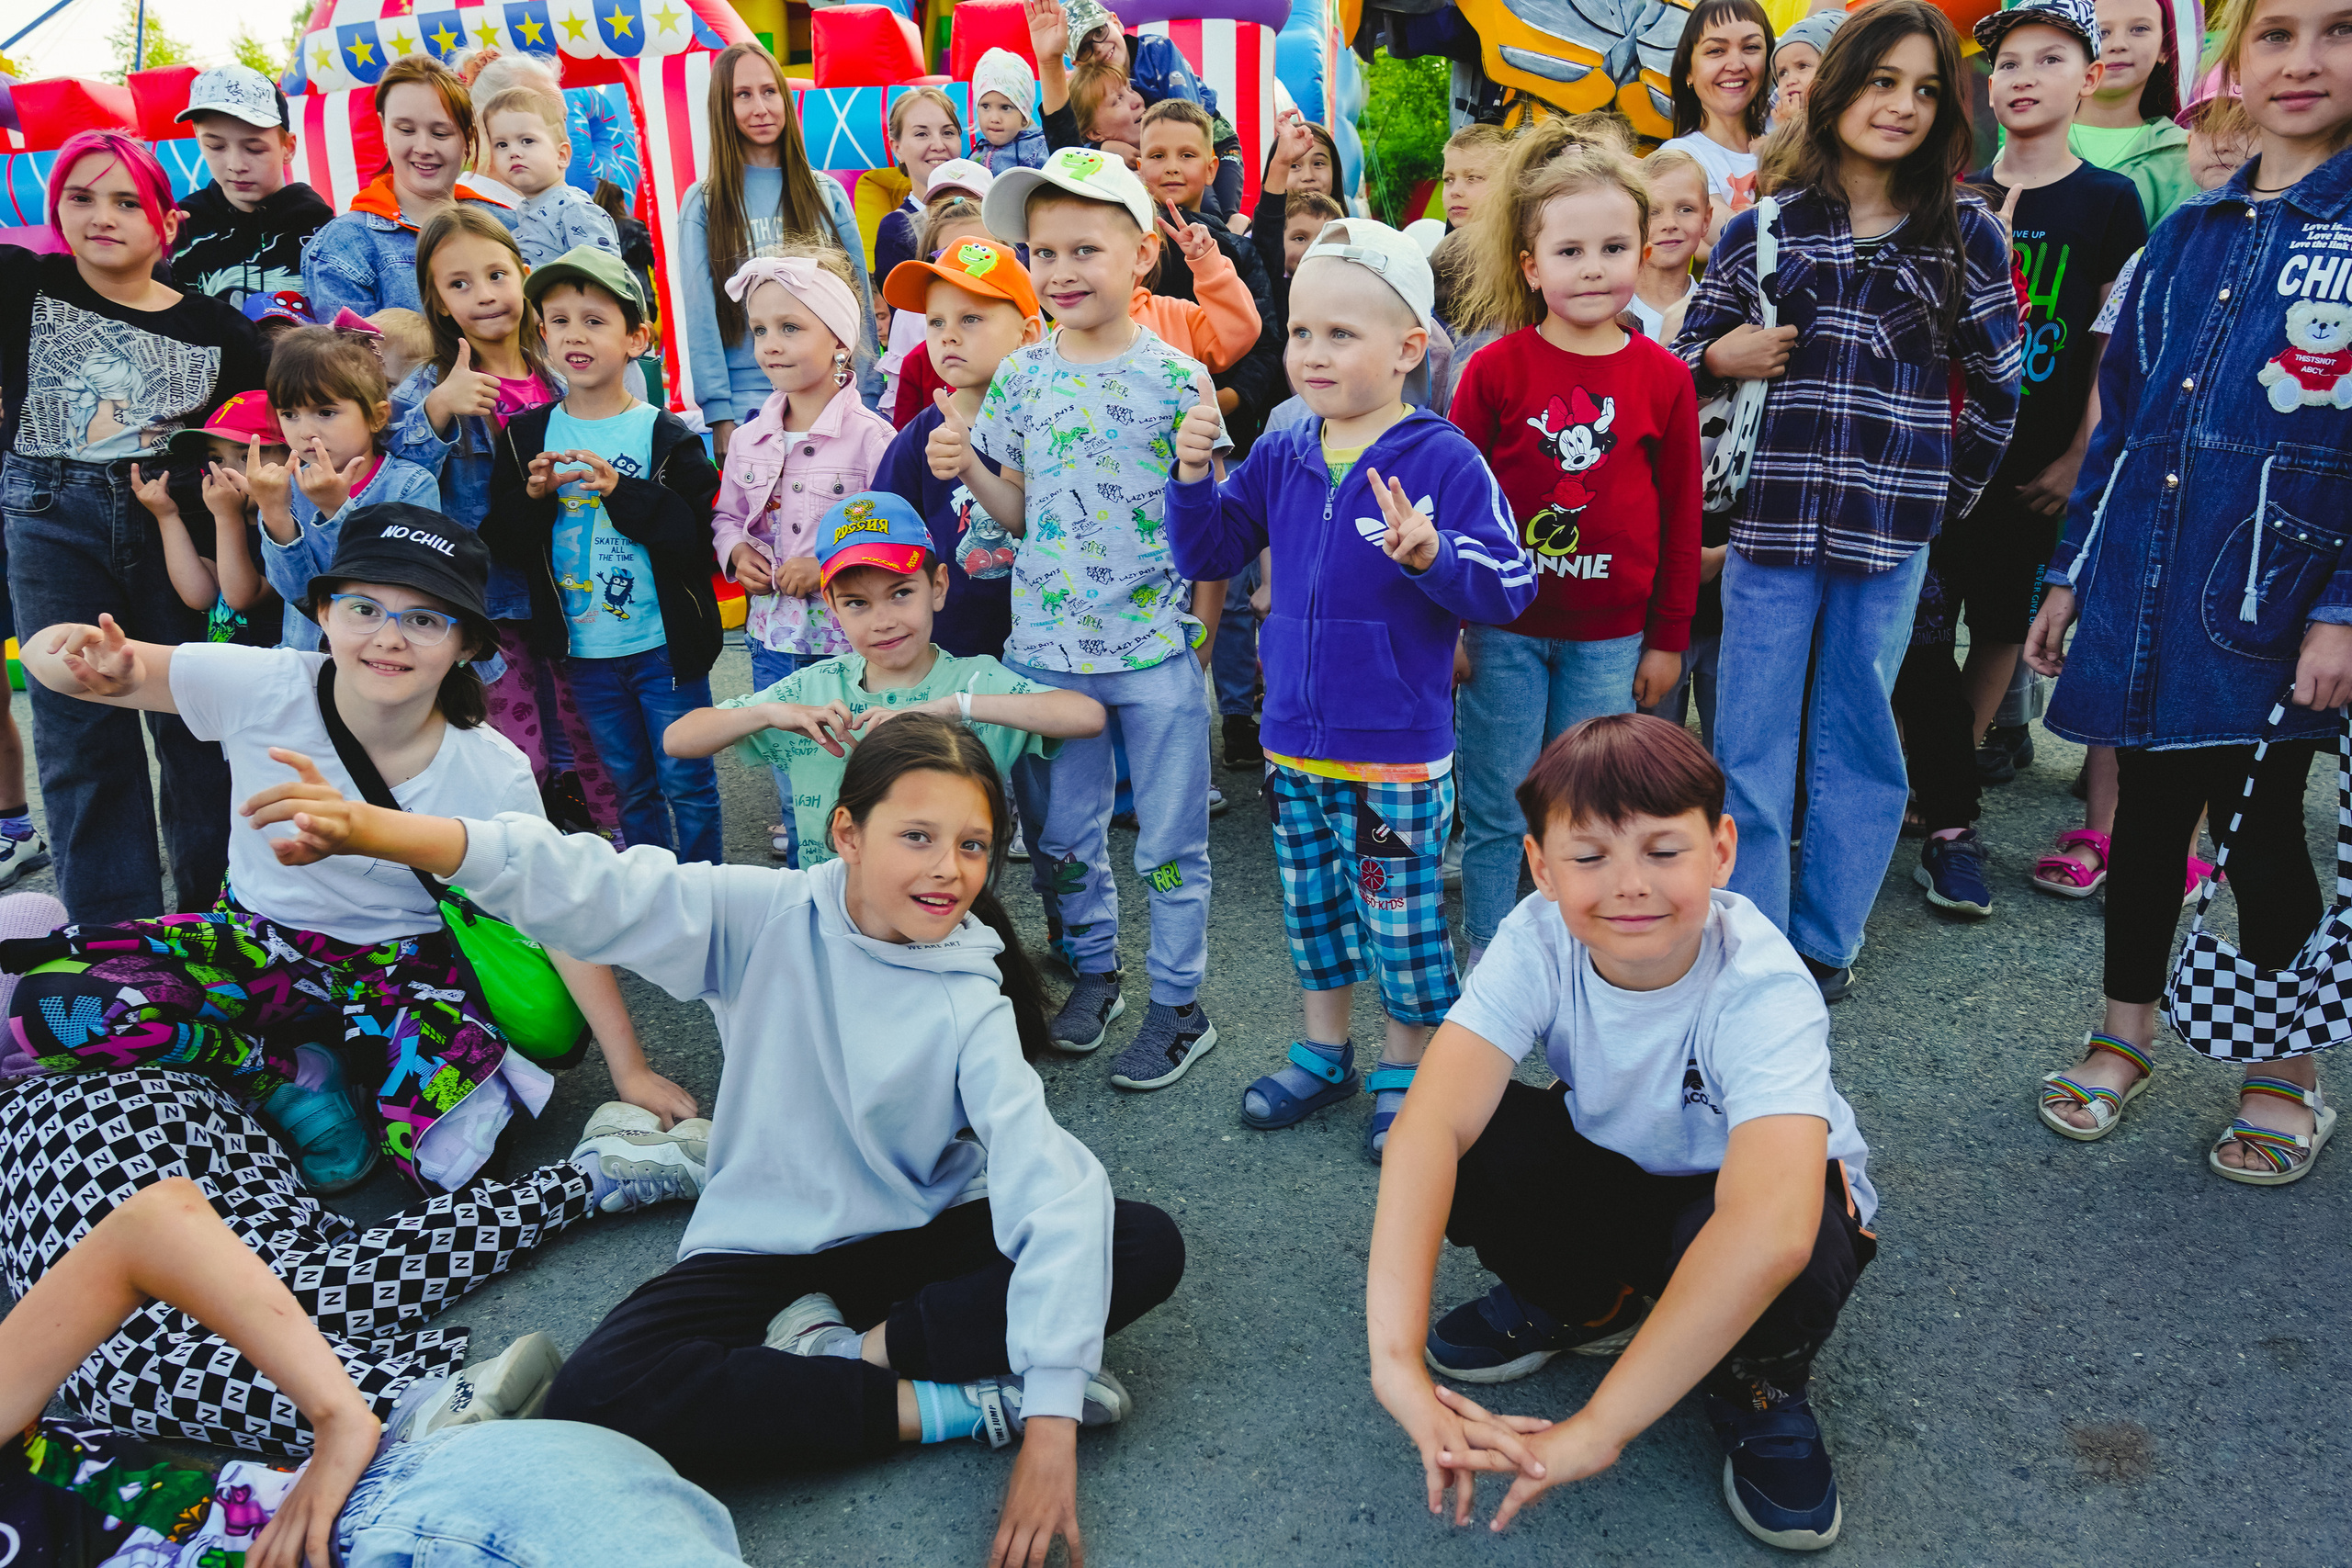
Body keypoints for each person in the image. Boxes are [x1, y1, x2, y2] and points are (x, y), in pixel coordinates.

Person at [249, 710, 1186, 1567]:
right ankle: (961, 1403)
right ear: (848, 836)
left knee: (1137, 1240)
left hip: (911, 1237)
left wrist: (1055, 1424)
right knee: (596, 1402)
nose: (949, 869)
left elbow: (1047, 1186)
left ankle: (849, 1358)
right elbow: (597, 887)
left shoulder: (968, 997)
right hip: (762, 1240)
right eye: (918, 837)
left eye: (973, 846)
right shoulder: (768, 914)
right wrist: (378, 828)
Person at [8, 504, 694, 1203]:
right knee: (49, 1008)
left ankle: (348, 1060)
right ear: (325, 613)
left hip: (401, 973)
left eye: (425, 619)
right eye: (364, 607)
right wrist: (69, 649)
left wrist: (628, 1066)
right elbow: (70, 667)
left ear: (464, 645)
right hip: (252, 944)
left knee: (451, 1165)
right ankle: (285, 1075)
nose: (389, 638)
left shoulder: (494, 767)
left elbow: (554, 910)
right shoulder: (262, 684)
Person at [1366, 714, 1876, 1551]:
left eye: (1663, 851)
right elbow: (1429, 1124)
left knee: (1802, 1237)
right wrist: (1394, 1359)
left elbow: (1769, 1226)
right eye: (1590, 855)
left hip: (1735, 1192)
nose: (1629, 883)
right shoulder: (1534, 936)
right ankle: (1584, 1301)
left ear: (1721, 850)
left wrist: (1597, 1426)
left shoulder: (1764, 982)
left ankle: (1759, 1385)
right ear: (1540, 866)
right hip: (1617, 1165)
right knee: (1475, 1137)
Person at [2022, 0, 2352, 1184]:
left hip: (2280, 592)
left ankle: (2286, 1072)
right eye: (2274, 35)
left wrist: (2342, 607)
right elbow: (2126, 419)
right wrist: (2068, 573)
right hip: (2145, 580)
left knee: (2259, 830)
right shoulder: (2188, 232)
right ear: (2232, 61)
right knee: (2150, 819)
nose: (2303, 60)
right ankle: (2124, 1035)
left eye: (2337, 30)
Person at [1672, 0, 2021, 1003]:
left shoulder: (1964, 234)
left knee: (1859, 737)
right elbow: (1670, 370)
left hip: (1889, 534)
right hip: (1771, 527)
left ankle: (1824, 943)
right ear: (1834, 91)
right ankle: (1754, 941)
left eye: (1923, 89)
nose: (1902, 106)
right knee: (1748, 739)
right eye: (1880, 81)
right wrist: (1715, 357)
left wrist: (1939, 496)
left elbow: (1998, 385)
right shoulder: (1761, 229)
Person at [1167, 218, 1532, 1156]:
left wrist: (1432, 555)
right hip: (1294, 749)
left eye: (1341, 334)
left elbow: (1510, 582)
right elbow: (1209, 550)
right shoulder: (1284, 450)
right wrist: (1192, 473)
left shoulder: (1443, 457)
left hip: (1394, 764)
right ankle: (1323, 1053)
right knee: (1317, 909)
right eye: (1300, 333)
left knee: (1400, 920)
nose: (1312, 354)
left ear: (1409, 347)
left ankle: (1407, 1066)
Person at [0, 1177, 748, 1567]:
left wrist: (339, 1417)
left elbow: (154, 1223)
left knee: (135, 1366)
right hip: (472, 1499)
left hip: (411, 1526)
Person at [931, 146, 1229, 1076]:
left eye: (1084, 250)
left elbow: (1209, 525)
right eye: (1044, 253)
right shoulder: (1021, 378)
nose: (1060, 271)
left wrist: (1205, 639)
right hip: (1049, 653)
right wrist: (971, 467)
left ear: (1141, 255)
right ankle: (1093, 970)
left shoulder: (1181, 379)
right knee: (1063, 837)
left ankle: (1179, 1002)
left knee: (1172, 844)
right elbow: (1013, 517)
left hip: (1152, 652)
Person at [1893, 0, 2143, 920]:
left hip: (2034, 463)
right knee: (1920, 626)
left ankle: (1944, 775)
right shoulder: (1951, 189)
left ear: (2092, 76)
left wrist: (2080, 452)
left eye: (2049, 59)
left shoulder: (2109, 202)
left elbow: (2109, 344)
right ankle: (1925, 775)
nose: (2024, 76)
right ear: (1985, 85)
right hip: (1941, 457)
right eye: (2006, 62)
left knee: (1998, 620)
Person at [1449, 136, 1703, 974]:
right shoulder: (1493, 371)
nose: (1593, 268)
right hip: (1502, 633)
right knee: (1496, 804)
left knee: (1591, 806)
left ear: (1643, 247)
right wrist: (1449, 622)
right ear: (1530, 264)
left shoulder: (1665, 378)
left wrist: (1668, 638)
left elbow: (1680, 517)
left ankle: (1572, 955)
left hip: (1610, 639)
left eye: (1613, 248)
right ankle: (1495, 958)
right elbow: (1454, 503)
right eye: (1570, 251)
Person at [1, 130, 266, 923]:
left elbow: (249, 442)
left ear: (166, 223)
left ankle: (213, 927)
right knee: (81, 732)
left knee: (195, 721)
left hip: (173, 526)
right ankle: (114, 949)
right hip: (51, 521)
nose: (101, 215)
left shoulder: (221, 333)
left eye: (126, 200)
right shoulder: (22, 282)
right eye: (79, 198)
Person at [2033, 90, 2256, 903]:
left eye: (2245, 140)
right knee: (2116, 673)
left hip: (2224, 506)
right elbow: (2113, 384)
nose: (2224, 155)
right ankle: (2101, 826)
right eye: (2211, 142)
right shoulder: (2156, 250)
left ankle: (2179, 843)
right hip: (2135, 490)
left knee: (2194, 689)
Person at [669, 489, 1105, 866]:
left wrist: (956, 708)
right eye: (857, 603)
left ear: (937, 586)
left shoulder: (973, 682)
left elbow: (1086, 716)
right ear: (832, 606)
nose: (883, 621)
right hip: (830, 921)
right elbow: (679, 740)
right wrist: (768, 713)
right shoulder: (811, 691)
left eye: (900, 594)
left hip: (944, 917)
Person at [486, 248, 726, 863]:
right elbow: (502, 542)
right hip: (586, 654)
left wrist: (623, 491)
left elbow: (693, 539)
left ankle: (705, 895)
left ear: (636, 338)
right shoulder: (527, 436)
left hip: (663, 648)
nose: (574, 335)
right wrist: (535, 496)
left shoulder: (665, 434)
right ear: (540, 335)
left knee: (688, 783)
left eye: (594, 320)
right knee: (629, 785)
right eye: (559, 320)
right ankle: (651, 896)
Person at [388, 206, 618, 829]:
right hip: (492, 606)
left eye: (496, 275)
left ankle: (617, 862)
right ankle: (522, 863)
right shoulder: (435, 386)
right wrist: (439, 410)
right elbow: (391, 485)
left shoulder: (561, 373)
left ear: (523, 276)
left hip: (574, 594)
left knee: (593, 738)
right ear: (437, 303)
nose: (484, 296)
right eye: (459, 284)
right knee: (519, 748)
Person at [708, 251, 895, 864]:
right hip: (773, 639)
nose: (770, 344)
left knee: (863, 773)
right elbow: (728, 515)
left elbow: (894, 534)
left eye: (791, 327)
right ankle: (808, 890)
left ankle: (866, 890)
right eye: (760, 329)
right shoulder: (750, 439)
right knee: (793, 773)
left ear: (840, 340)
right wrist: (736, 551)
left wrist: (830, 561)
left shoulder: (872, 439)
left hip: (852, 645)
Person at [680, 40, 873, 458]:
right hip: (747, 403)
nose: (760, 107)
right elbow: (699, 315)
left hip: (830, 393)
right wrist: (719, 414)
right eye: (743, 95)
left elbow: (859, 303)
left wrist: (869, 391)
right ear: (722, 108)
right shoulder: (705, 201)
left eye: (769, 91)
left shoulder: (827, 194)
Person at [876, 237, 1044, 660]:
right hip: (950, 646)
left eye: (970, 319)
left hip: (1051, 642)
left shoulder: (1052, 426)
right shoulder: (919, 437)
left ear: (1027, 334)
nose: (948, 336)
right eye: (936, 322)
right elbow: (883, 530)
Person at [252, 323, 444, 653]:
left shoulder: (410, 485)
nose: (306, 430)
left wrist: (335, 511)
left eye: (326, 412)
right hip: (306, 660)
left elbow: (392, 585)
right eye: (289, 414)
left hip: (381, 658)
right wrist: (273, 511)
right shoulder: (286, 488)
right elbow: (297, 594)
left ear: (377, 417)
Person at [303, 56, 518, 319]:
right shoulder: (344, 246)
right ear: (384, 128)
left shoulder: (511, 225)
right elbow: (353, 359)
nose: (424, 148)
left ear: (467, 137)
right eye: (405, 130)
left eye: (440, 133)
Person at [1139, 98, 1283, 434]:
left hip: (1217, 432)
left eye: (1186, 155)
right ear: (1140, 165)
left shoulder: (1237, 250)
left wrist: (1222, 401)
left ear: (1211, 169)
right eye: (1158, 156)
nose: (1172, 167)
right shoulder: (1124, 244)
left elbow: (1266, 344)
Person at [169, 62, 334, 316]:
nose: (236, 165)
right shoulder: (179, 229)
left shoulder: (323, 233)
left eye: (254, 149)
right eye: (216, 147)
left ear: (288, 148)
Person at [132, 389, 286, 649]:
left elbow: (242, 597)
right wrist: (167, 516)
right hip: (222, 669)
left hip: (270, 669)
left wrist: (227, 517)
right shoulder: (217, 516)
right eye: (216, 458)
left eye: (247, 457)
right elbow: (199, 596)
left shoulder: (290, 529)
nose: (225, 471)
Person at [1662, 0, 1776, 254]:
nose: (1736, 65)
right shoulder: (1679, 157)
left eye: (1751, 47)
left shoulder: (1785, 142)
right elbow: (1738, 239)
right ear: (1688, 72)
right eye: (1716, 51)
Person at [2070, 0, 2196, 223]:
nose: (2118, 44)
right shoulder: (2031, 141)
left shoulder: (2186, 156)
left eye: (2139, 29)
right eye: (2101, 32)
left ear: (2164, 48)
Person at [481, 84, 623, 266]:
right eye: (501, 145)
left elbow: (605, 270)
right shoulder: (524, 209)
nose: (513, 152)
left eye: (527, 141)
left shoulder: (574, 207)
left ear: (561, 155)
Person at [877, 87, 969, 285]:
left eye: (948, 132)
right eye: (921, 134)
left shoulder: (985, 213)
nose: (938, 145)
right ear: (897, 148)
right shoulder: (896, 229)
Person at [1631, 146, 1708, 341]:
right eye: (1654, 212)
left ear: (1706, 220)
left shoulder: (1717, 310)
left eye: (1685, 209)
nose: (1670, 224)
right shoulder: (1608, 311)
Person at [973, 45, 1050, 173]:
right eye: (985, 106)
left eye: (1005, 108)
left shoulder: (1038, 149)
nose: (994, 119)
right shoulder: (978, 154)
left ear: (1024, 115)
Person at [1768, 8, 1847, 128]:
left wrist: (1790, 126)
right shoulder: (1774, 113)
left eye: (1803, 66)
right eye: (1783, 73)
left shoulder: (1846, 120)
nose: (1791, 80)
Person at [1442, 122, 1513, 231]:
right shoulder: (1447, 247)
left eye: (1473, 178)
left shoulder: (1534, 246)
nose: (1455, 191)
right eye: (1449, 179)